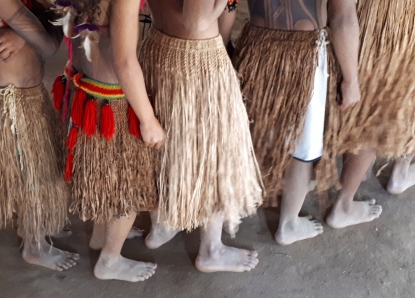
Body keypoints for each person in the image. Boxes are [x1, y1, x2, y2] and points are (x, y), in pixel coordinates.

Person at [138, 0, 264, 273]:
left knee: (167, 148)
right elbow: (196, 20)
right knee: (214, 155)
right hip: (198, 61)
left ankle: (162, 224)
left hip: (158, 44)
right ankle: (211, 250)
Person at [231, 0, 365, 245]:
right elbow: (343, 16)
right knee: (303, 149)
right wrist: (351, 80)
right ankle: (288, 224)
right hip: (305, 54)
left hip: (256, 45)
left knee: (258, 133)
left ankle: (240, 206)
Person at [0, 0, 79, 271]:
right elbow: (50, 46)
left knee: (42, 168)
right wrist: (30, 33)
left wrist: (21, 33)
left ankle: (44, 223)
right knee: (32, 177)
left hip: (26, 98)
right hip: (10, 104)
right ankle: (34, 247)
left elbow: (48, 26)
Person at [52, 0, 160, 282]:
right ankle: (110, 260)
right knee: (126, 188)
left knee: (104, 179)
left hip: (85, 90)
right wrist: (148, 120)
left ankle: (101, 237)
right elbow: (124, 62)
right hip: (113, 102)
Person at [327, 0, 415, 226]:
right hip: (388, 24)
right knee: (375, 114)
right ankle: (343, 205)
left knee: (373, 107)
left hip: (379, 20)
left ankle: (388, 171)